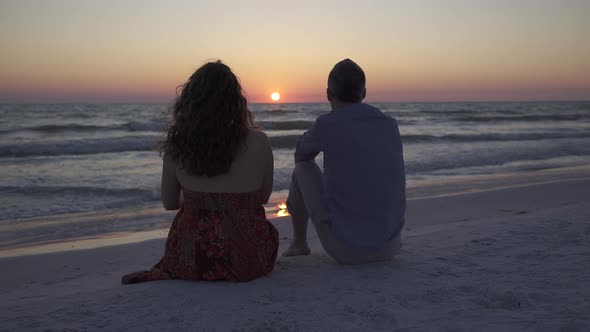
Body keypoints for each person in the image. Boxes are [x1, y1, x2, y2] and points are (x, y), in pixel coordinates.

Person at [122, 61, 278, 284]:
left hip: (192, 258)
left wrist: (201, 198)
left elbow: (170, 202)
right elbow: (262, 197)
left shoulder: (178, 145)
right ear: (235, 100)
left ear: (190, 101)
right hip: (250, 258)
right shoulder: (260, 141)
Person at [282, 59, 406, 264]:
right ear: (364, 94)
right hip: (390, 245)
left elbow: (301, 155)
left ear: (328, 94)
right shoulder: (389, 124)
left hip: (346, 249)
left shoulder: (327, 124)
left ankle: (299, 243)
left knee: (302, 169)